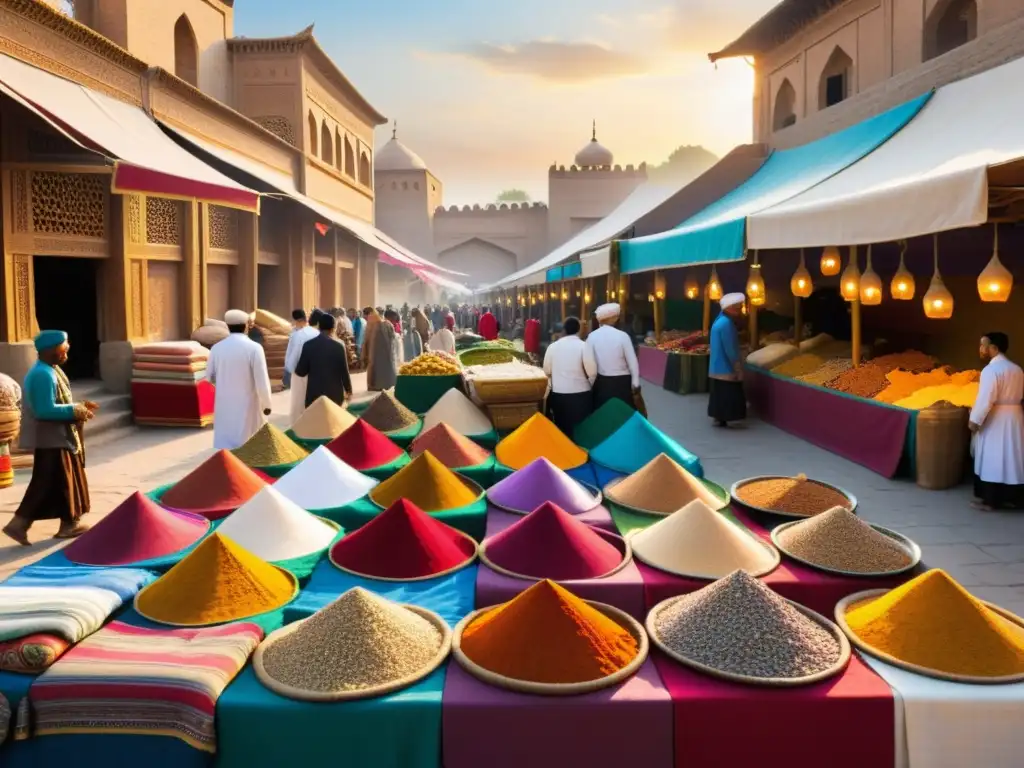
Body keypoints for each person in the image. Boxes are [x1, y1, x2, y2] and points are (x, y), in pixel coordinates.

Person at [3, 331, 97, 545]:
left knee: (61, 482)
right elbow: (43, 410)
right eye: (64, 347)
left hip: (60, 437)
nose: (67, 350)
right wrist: (74, 410)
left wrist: (80, 408)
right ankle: (20, 524)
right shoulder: (41, 375)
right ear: (49, 349)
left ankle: (68, 523)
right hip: (51, 439)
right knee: (50, 483)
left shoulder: (53, 371)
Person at [970, 332, 1024, 510]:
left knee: (993, 457)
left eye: (983, 345)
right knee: (1012, 457)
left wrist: (975, 420)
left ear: (993, 348)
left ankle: (992, 500)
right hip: (1015, 416)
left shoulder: (991, 370)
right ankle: (1012, 498)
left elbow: (986, 399)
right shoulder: (1016, 369)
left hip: (997, 418)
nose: (981, 349)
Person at [206, 309, 273, 450]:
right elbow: (262, 381)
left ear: (227, 326)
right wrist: (267, 404)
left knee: (226, 449)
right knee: (248, 448)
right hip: (248, 407)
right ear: (246, 326)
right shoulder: (254, 348)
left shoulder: (216, 349)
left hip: (224, 405)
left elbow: (209, 377)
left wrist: (223, 386)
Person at [543, 316, 597, 437]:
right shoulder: (584, 346)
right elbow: (592, 372)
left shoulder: (552, 347)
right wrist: (589, 387)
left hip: (559, 395)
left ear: (564, 330)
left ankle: (566, 454)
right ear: (578, 330)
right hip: (581, 396)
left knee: (563, 430)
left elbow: (547, 371)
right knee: (582, 430)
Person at [586, 303, 640, 411]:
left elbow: (590, 364)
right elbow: (632, 361)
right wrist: (635, 382)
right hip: (623, 382)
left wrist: (590, 384)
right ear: (614, 319)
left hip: (602, 382)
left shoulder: (592, 337)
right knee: (624, 414)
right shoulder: (623, 336)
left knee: (604, 414)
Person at [295, 313, 353, 407]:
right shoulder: (339, 346)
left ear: (318, 327)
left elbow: (301, 372)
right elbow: (344, 372)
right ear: (334, 328)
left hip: (314, 396)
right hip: (334, 395)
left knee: (316, 420)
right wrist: (349, 391)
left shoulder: (308, 345)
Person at [708, 293, 747, 427]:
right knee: (728, 393)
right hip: (725, 366)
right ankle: (727, 416)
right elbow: (730, 348)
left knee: (719, 393)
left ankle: (719, 417)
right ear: (730, 308)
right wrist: (737, 366)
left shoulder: (719, 321)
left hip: (716, 366)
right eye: (738, 307)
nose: (740, 310)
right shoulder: (726, 324)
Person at [285, 308, 322, 421]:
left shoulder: (297, 335)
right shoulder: (318, 333)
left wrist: (290, 370)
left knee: (299, 403)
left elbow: (291, 357)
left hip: (299, 373)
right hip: (316, 373)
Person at [362, 308, 398, 391]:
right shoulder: (385, 324)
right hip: (383, 354)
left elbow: (366, 341)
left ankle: (376, 385)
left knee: (378, 370)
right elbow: (392, 339)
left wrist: (365, 354)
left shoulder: (374, 326)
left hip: (376, 355)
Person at [282, 309, 308, 390]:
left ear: (298, 320)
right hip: (296, 367)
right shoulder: (294, 332)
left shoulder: (300, 333)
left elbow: (293, 353)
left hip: (299, 367)